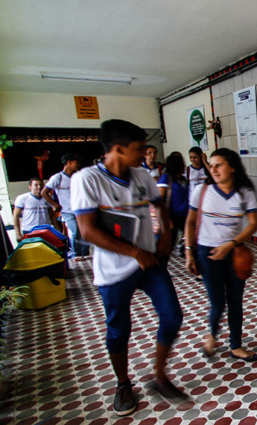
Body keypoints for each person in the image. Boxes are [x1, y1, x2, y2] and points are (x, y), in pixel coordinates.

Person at [71, 119, 185, 416]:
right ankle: (123, 384)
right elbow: (87, 231)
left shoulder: (142, 176)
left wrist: (165, 235)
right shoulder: (87, 179)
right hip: (113, 269)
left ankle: (160, 377)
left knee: (172, 316)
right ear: (118, 148)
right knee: (119, 329)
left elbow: (159, 205)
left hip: (149, 262)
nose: (145, 153)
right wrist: (134, 252)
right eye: (139, 148)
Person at [184, 148, 257, 361]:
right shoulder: (202, 191)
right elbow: (189, 222)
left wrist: (231, 244)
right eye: (212, 165)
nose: (213, 169)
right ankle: (212, 335)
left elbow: (253, 224)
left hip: (234, 253)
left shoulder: (245, 193)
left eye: (219, 165)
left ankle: (235, 346)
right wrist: (190, 253)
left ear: (232, 167)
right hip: (208, 253)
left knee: (235, 301)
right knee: (217, 302)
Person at [42, 153, 90, 260]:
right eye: (76, 163)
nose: (78, 165)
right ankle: (76, 254)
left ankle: (85, 254)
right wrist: (55, 204)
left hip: (81, 211)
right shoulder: (57, 177)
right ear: (69, 162)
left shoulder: (77, 176)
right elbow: (44, 192)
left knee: (85, 232)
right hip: (67, 211)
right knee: (74, 232)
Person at [157, 153, 189, 253]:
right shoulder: (166, 178)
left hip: (185, 216)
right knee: (168, 245)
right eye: (181, 164)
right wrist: (167, 219)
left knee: (190, 242)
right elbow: (159, 200)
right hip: (172, 217)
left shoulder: (183, 179)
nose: (184, 166)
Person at [13, 177, 57, 242]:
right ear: (30, 186)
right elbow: (15, 216)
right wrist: (18, 233)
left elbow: (52, 215)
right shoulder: (22, 198)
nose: (39, 187)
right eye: (36, 185)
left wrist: (57, 229)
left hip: (46, 229)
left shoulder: (48, 198)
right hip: (29, 230)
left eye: (41, 185)